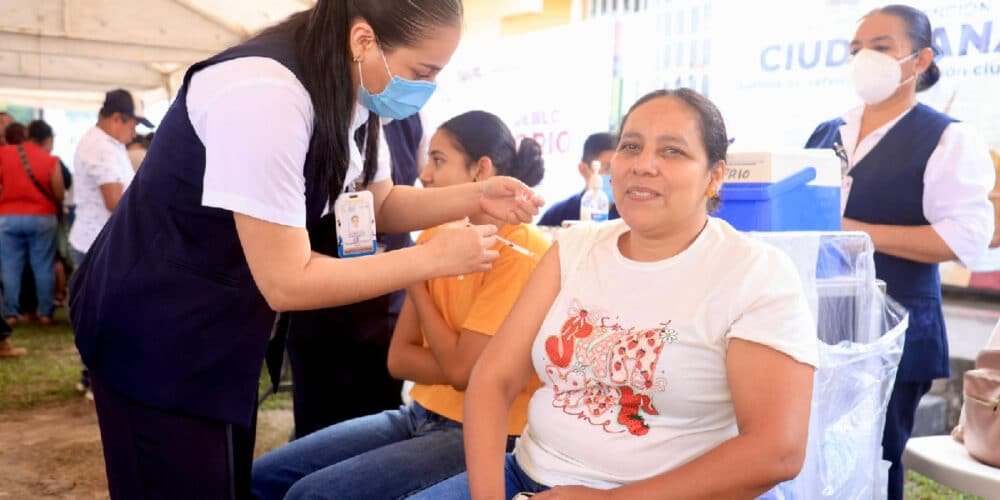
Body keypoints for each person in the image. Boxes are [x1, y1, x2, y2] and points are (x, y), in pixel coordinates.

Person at [68, 2, 543, 498]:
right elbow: (286, 279)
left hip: (219, 333)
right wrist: (429, 259)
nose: (425, 89)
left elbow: (377, 204)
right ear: (363, 41)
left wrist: (476, 198)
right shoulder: (265, 94)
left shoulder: (355, 90)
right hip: (156, 327)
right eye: (422, 72)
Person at [416, 89, 819, 500]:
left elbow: (777, 450)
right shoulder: (575, 248)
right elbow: (492, 379)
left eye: (673, 151)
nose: (644, 165)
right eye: (631, 146)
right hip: (525, 476)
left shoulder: (754, 273)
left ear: (714, 176)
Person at [252, 110, 550, 500]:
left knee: (311, 495)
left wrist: (418, 280)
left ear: (481, 170)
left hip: (486, 429)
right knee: (263, 476)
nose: (424, 173)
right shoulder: (435, 237)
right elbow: (400, 360)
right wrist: (426, 272)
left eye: (438, 160)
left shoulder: (522, 249)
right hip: (419, 413)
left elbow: (462, 373)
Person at [804, 6, 995, 499]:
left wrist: (854, 232)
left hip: (896, 331)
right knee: (814, 461)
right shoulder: (827, 133)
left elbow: (964, 238)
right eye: (855, 50)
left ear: (920, 58)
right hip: (816, 327)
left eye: (881, 47)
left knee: (874, 462)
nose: (863, 58)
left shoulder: (946, 137)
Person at [284, 113, 426, 440]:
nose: (425, 85)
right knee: (320, 431)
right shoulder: (309, 113)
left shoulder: (407, 120)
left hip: (387, 303)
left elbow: (388, 202)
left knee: (373, 423)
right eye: (421, 71)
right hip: (320, 307)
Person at [68, 88, 147, 399]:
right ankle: (98, 380)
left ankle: (95, 377)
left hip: (100, 240)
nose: (134, 132)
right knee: (106, 314)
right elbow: (115, 199)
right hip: (97, 243)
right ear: (117, 118)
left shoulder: (107, 144)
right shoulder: (100, 148)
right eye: (133, 125)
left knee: (106, 313)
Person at [0, 119, 66, 329]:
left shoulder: (5, 154)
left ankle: (10, 313)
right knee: (43, 266)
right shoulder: (50, 160)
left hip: (8, 216)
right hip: (42, 216)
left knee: (10, 267)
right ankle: (45, 313)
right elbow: (59, 191)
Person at [537, 132, 619, 226]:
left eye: (618, 168)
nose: (614, 176)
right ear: (583, 169)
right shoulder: (558, 215)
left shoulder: (630, 218)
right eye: (607, 168)